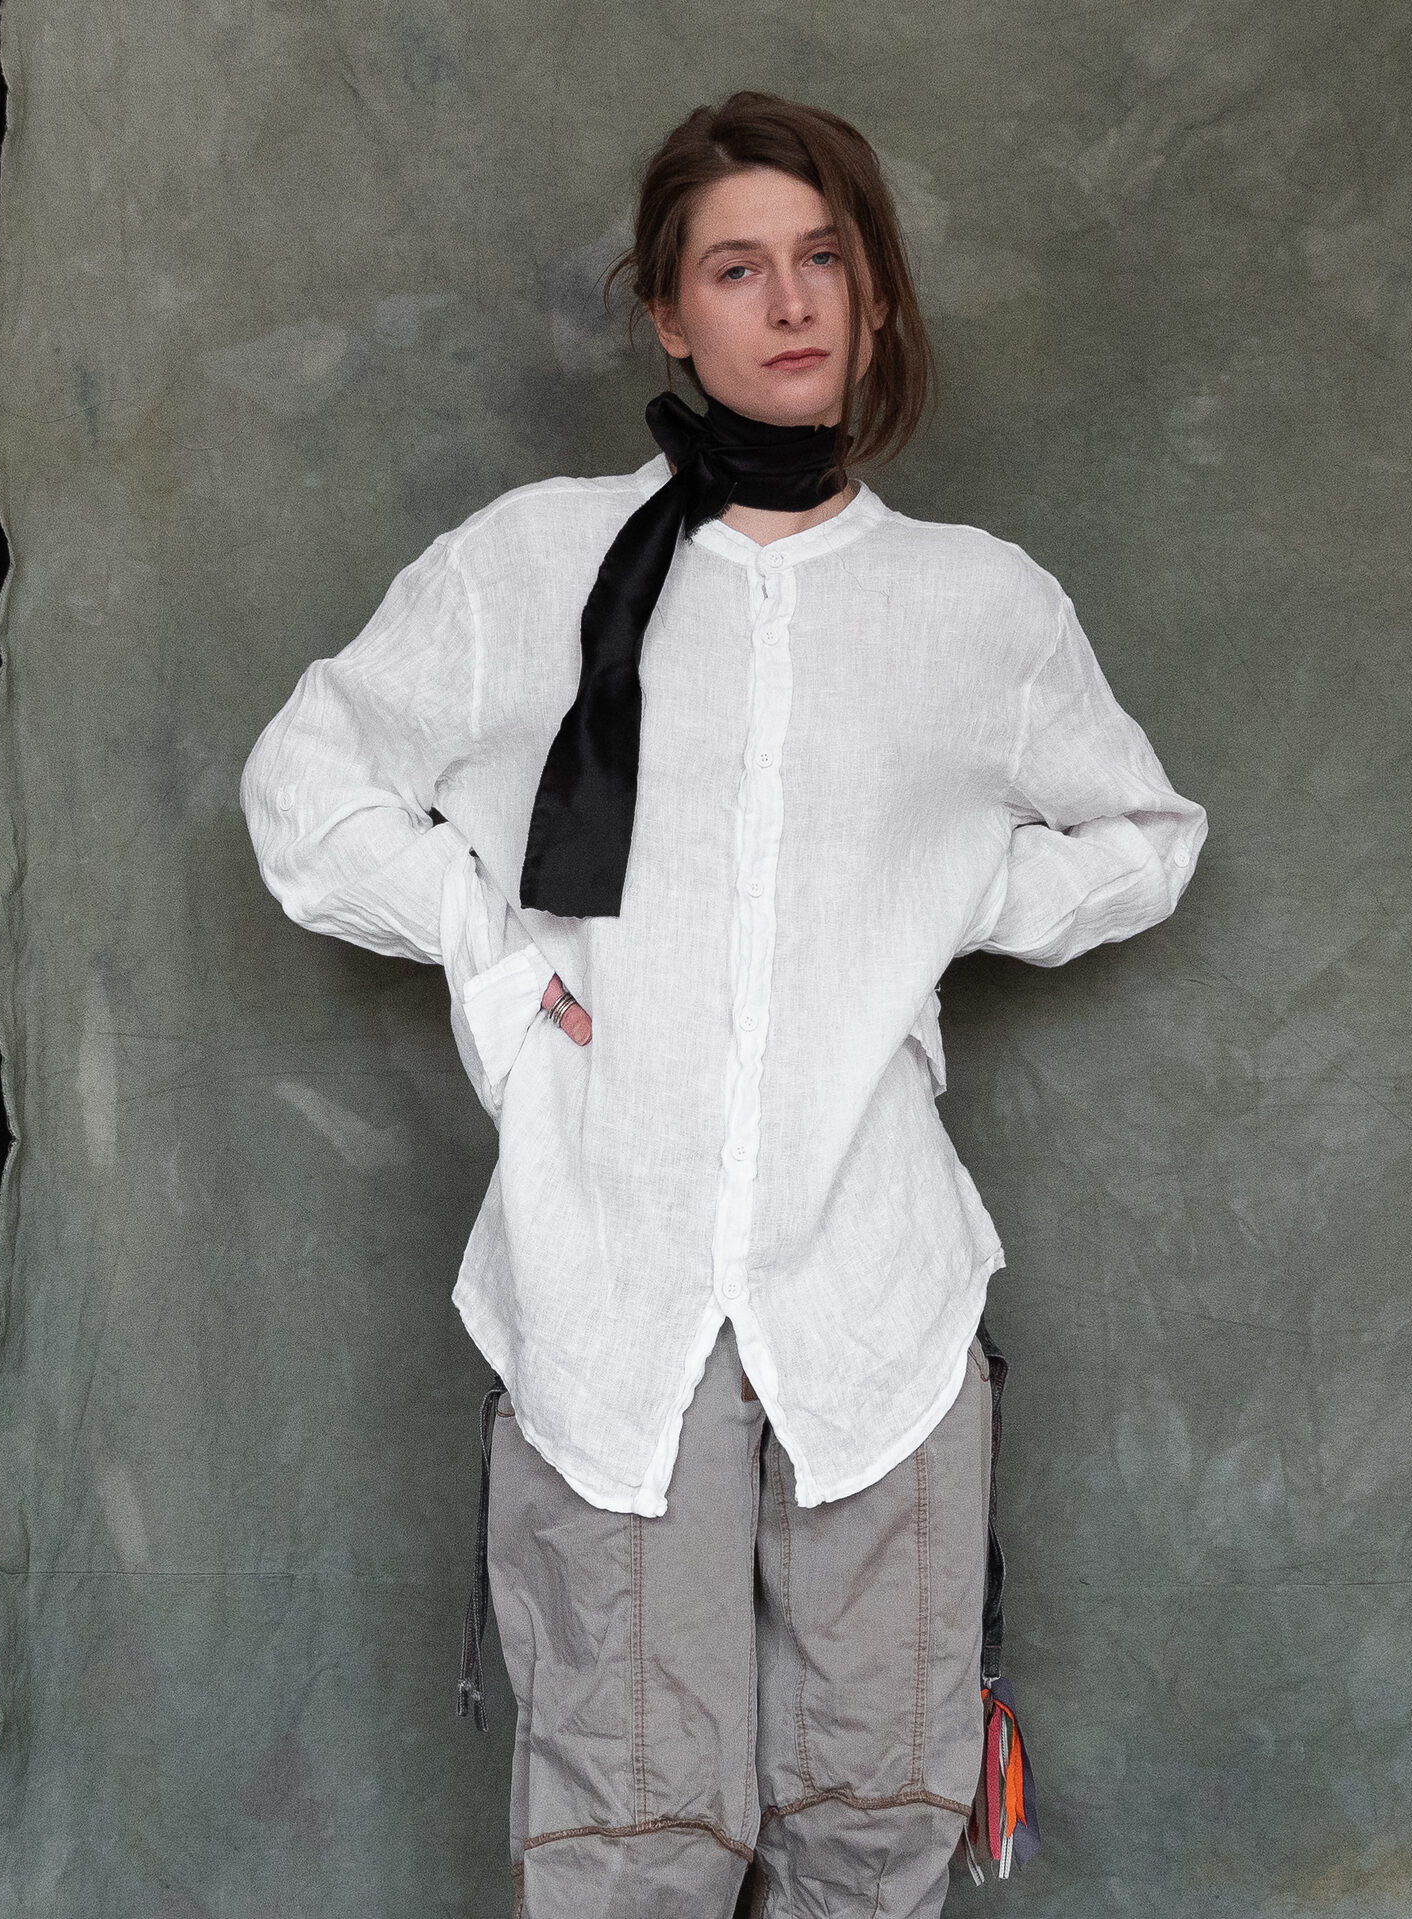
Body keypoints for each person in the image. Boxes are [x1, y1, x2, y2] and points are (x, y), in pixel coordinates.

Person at [241, 89, 1205, 1919]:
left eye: (825, 258)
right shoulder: (531, 566)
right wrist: (492, 951)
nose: (792, 301)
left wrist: (955, 892)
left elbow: (1149, 837)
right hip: (607, 1280)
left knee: (877, 1818)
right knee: (630, 1836)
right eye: (738, 268)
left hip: (875, 1295)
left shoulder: (976, 608)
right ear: (670, 314)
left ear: (877, 292)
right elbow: (307, 787)